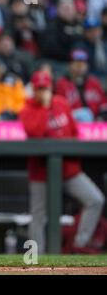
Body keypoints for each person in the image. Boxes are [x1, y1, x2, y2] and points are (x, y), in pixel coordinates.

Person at [19, 70, 105, 254]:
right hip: (41, 173)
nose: (44, 91)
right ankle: (36, 256)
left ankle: (80, 244)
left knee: (95, 199)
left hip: (68, 170)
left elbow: (74, 133)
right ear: (34, 89)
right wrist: (44, 106)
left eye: (46, 87)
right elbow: (36, 133)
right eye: (40, 88)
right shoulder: (27, 109)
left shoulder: (62, 103)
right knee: (38, 216)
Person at [54, 49, 107, 121]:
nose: (80, 67)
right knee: (84, 114)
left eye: (82, 63)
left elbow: (104, 105)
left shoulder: (94, 83)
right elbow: (59, 109)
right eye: (77, 63)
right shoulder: (61, 84)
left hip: (96, 126)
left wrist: (101, 117)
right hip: (73, 123)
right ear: (70, 65)